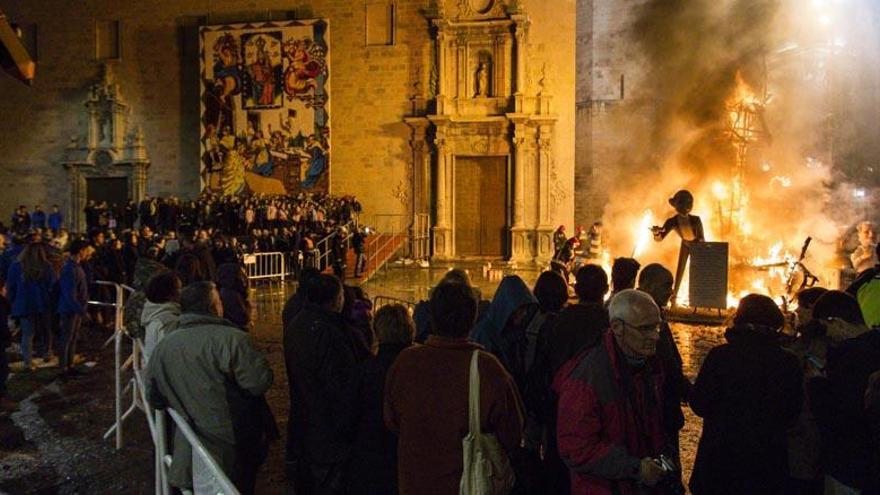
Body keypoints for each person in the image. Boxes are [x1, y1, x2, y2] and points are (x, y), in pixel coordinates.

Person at [384, 281, 524, 495]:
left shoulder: (405, 362)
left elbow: (392, 420)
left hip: (415, 482)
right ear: (473, 318)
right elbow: (512, 432)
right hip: (468, 484)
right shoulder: (487, 368)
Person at [146, 281, 275, 495]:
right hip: (231, 438)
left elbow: (155, 396)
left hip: (190, 437)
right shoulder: (233, 339)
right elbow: (258, 383)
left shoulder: (165, 346)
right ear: (214, 306)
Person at [554, 289, 670, 494]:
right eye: (645, 329)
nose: (655, 336)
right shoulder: (587, 377)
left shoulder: (649, 366)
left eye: (657, 327)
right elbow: (576, 447)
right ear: (617, 327)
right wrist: (635, 467)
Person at [689, 294, 803, 495]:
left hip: (719, 462)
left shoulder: (721, 356)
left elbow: (699, 403)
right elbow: (792, 415)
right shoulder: (788, 362)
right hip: (767, 465)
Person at [284, 274, 364, 494]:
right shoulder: (328, 332)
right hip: (328, 433)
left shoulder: (299, 322)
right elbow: (340, 385)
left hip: (309, 424)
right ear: (334, 299)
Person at [807, 290, 880, 494]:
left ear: (837, 322)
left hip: (848, 466)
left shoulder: (849, 358)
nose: (827, 338)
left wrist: (816, 383)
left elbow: (836, 416)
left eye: (826, 329)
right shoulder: (874, 346)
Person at [349, 304, 415, 495]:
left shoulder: (364, 371)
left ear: (377, 332)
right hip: (409, 456)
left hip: (370, 458)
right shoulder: (421, 370)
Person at [637, 263, 689, 492]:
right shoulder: (643, 323)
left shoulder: (654, 318)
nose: (671, 291)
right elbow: (668, 367)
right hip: (656, 414)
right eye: (666, 285)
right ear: (647, 286)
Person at [7, 241, 57, 370]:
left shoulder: (16, 266)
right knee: (46, 330)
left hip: (24, 305)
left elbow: (11, 287)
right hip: (43, 303)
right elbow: (53, 286)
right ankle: (47, 353)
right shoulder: (46, 267)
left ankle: (28, 362)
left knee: (27, 334)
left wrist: (12, 303)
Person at [651, 190, 705, 304]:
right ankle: (674, 298)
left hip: (697, 247)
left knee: (699, 273)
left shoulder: (696, 220)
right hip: (685, 244)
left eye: (687, 203)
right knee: (680, 271)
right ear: (675, 205)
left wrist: (699, 246)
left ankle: (701, 299)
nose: (685, 206)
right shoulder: (672, 221)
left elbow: (701, 237)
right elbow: (660, 238)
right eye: (681, 203)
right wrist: (656, 232)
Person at [56, 240, 92, 376]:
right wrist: (82, 311)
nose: (88, 253)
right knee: (66, 338)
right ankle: (63, 368)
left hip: (75, 309)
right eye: (86, 250)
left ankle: (69, 365)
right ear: (81, 251)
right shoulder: (70, 269)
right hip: (70, 310)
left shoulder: (76, 267)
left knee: (72, 337)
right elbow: (69, 294)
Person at [141, 272, 182, 363]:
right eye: (179, 288)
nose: (182, 292)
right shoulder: (167, 321)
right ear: (169, 294)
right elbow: (170, 356)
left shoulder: (155, 312)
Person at [215, 263, 252, 331]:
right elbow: (241, 316)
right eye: (242, 275)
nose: (245, 278)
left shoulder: (227, 291)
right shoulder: (230, 294)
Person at [0, 276, 14, 412]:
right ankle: (2, 398)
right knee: (3, 369)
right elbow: (2, 326)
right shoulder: (2, 304)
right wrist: (8, 337)